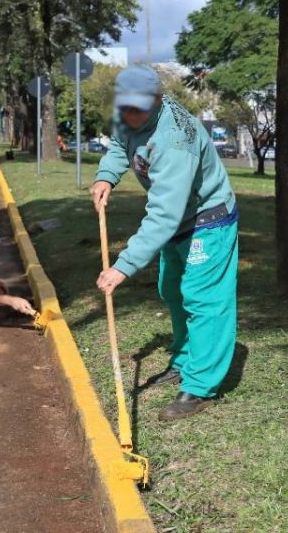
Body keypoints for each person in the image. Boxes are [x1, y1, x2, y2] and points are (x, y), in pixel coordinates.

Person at [90, 65, 239, 422]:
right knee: (172, 289)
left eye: (138, 108)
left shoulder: (175, 142)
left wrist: (122, 267)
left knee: (204, 300)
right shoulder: (128, 110)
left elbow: (163, 216)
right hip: (179, 221)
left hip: (207, 221)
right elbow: (119, 142)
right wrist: (107, 176)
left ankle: (200, 387)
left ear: (157, 100)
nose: (129, 115)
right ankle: (185, 359)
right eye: (125, 106)